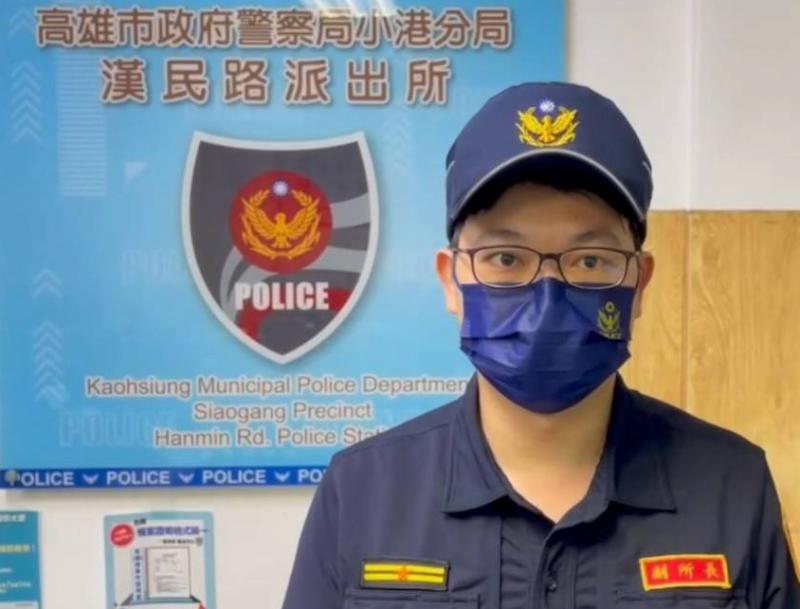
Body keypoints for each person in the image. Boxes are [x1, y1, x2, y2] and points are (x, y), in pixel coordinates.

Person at [281, 82, 799, 609]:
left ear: (640, 284)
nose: (547, 297)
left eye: (591, 261)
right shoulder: (362, 492)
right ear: (451, 281)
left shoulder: (733, 486)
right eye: (506, 258)